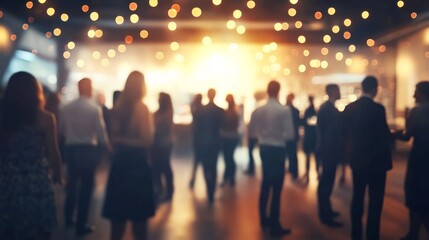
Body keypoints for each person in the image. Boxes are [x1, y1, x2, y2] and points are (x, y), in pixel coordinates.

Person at [0, 71, 62, 240]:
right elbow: (53, 151)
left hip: (7, 182)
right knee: (39, 229)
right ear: (36, 92)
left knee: (10, 229)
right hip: (36, 182)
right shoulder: (46, 118)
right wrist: (57, 174)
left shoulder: (3, 118)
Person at [102, 71, 155, 240]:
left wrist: (120, 141)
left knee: (117, 223)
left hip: (119, 166)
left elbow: (112, 139)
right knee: (140, 225)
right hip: (138, 166)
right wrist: (127, 141)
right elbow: (146, 141)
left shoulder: (117, 108)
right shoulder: (142, 108)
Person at [343, 76, 392, 240]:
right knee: (375, 202)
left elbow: (346, 135)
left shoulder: (350, 108)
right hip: (377, 163)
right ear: (375, 89)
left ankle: (355, 234)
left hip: (358, 160)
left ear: (362, 88)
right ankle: (372, 235)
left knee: (357, 197)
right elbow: (383, 136)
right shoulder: (378, 109)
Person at [60, 78, 110, 236]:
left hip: (70, 149)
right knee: (86, 189)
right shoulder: (94, 109)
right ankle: (81, 225)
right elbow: (101, 134)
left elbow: (61, 130)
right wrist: (108, 150)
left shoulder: (65, 108)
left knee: (71, 185)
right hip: (88, 150)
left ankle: (68, 218)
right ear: (89, 88)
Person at [249, 80, 294, 237]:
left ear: (267, 91)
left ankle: (263, 219)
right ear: (278, 90)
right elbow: (290, 135)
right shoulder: (284, 111)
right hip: (278, 150)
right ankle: (275, 224)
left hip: (264, 149)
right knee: (277, 188)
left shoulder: (258, 110)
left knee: (266, 184)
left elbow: (252, 133)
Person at [393, 81, 429, 240]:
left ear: (423, 93)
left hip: (419, 156)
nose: (414, 95)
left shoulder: (417, 111)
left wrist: (393, 133)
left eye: (416, 92)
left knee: (414, 193)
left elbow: (407, 136)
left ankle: (413, 233)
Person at [316, 84, 343, 227]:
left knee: (326, 183)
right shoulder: (328, 109)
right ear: (333, 92)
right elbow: (330, 133)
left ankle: (326, 211)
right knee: (326, 183)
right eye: (338, 90)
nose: (340, 93)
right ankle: (325, 215)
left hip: (327, 151)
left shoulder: (326, 108)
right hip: (329, 151)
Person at [195, 89, 224, 203]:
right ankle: (212, 189)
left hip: (203, 142)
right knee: (214, 165)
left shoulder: (201, 110)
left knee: (206, 166)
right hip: (215, 142)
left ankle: (209, 187)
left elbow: (197, 128)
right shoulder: (220, 110)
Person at [151, 92, 175, 201]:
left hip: (163, 143)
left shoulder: (165, 113)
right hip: (163, 143)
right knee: (161, 167)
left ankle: (165, 190)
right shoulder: (167, 112)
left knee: (163, 166)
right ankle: (164, 189)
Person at [220, 94, 240, 187]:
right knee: (230, 157)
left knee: (228, 158)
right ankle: (230, 178)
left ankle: (228, 177)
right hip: (233, 137)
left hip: (226, 137)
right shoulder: (235, 112)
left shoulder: (226, 113)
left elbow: (224, 125)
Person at [302, 95, 319, 183]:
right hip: (314, 136)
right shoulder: (315, 110)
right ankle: (317, 173)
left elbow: (305, 122)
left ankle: (308, 174)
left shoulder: (308, 110)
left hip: (309, 136)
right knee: (316, 156)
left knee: (308, 157)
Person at [189, 93, 203, 189]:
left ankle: (193, 178)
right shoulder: (201, 110)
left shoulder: (195, 109)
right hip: (200, 138)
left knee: (196, 159)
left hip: (197, 137)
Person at [285, 93, 300, 180]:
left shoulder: (285, 109)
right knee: (293, 154)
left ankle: (292, 170)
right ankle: (293, 171)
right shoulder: (295, 110)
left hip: (287, 135)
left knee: (290, 154)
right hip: (292, 135)